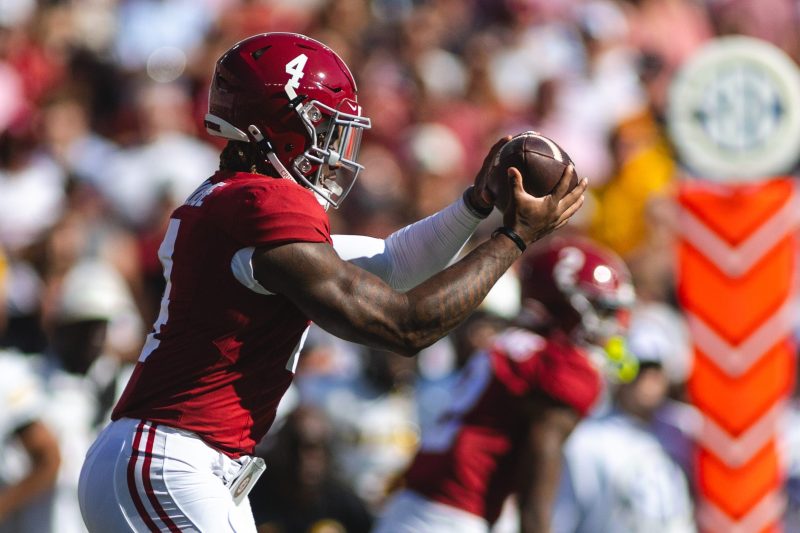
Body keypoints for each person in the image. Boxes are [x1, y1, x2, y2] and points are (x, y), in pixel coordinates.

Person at [77, 32, 586, 532]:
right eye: (322, 124)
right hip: (169, 458)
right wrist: (514, 237)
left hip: (181, 460)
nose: (333, 145)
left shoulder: (236, 203)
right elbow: (405, 326)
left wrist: (475, 205)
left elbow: (393, 262)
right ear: (273, 124)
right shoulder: (259, 204)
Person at [373, 236, 636, 533]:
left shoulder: (515, 347)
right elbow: (536, 485)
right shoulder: (555, 368)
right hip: (455, 514)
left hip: (416, 507)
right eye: (601, 311)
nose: (612, 326)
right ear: (561, 304)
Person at [552, 306, 697, 533]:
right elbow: (563, 519)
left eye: (656, 368)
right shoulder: (587, 441)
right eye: (639, 368)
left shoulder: (686, 429)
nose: (648, 379)